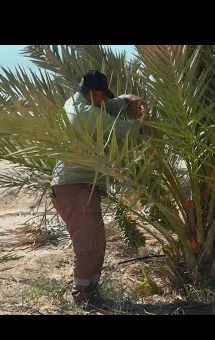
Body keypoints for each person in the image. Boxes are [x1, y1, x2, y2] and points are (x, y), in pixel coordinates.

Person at [50, 70, 147, 305]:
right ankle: (83, 297)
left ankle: (91, 293)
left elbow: (109, 106)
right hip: (73, 188)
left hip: (81, 188)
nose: (105, 101)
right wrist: (144, 125)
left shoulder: (82, 102)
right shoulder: (83, 114)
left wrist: (127, 102)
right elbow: (118, 129)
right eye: (102, 97)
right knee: (88, 246)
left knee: (97, 242)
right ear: (93, 94)